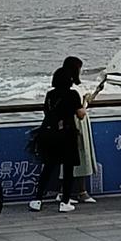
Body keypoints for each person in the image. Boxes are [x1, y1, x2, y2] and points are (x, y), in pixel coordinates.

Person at [29, 67, 81, 212]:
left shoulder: (50, 94)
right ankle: (65, 202)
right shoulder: (73, 94)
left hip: (50, 134)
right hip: (67, 134)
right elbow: (80, 114)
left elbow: (47, 111)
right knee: (68, 169)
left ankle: (37, 200)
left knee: (48, 167)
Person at [61, 56, 97, 202]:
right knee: (80, 155)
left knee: (75, 156)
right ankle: (75, 192)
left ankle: (69, 192)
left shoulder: (67, 86)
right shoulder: (73, 88)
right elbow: (80, 110)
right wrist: (84, 102)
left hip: (72, 123)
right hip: (77, 123)